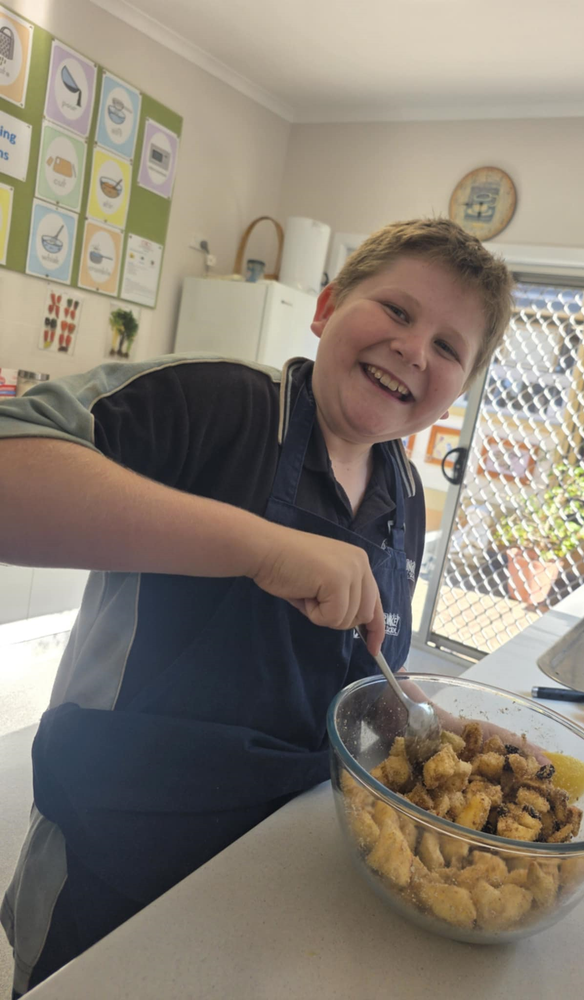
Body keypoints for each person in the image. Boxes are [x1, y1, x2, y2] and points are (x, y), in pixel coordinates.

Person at [0, 218, 514, 995]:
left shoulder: (404, 499)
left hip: (282, 865)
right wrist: (263, 548)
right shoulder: (214, 404)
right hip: (115, 848)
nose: (415, 349)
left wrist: (432, 722)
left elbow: (353, 677)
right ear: (327, 306)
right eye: (399, 312)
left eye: (449, 347)